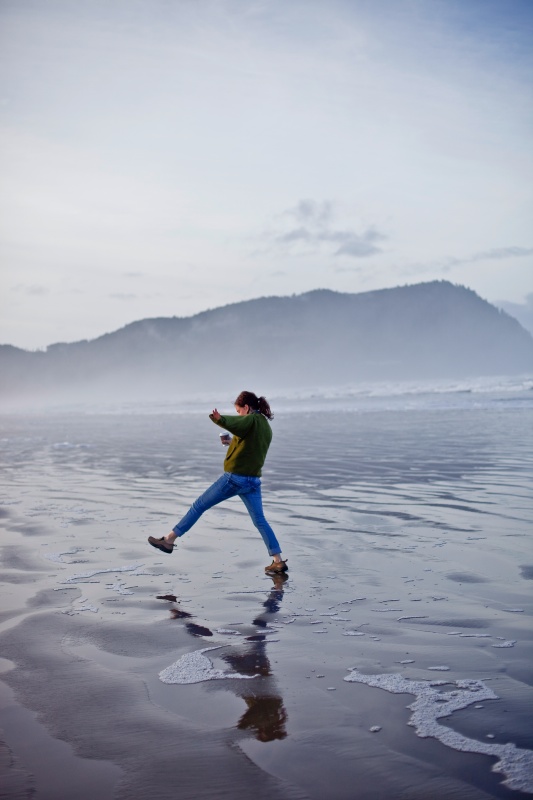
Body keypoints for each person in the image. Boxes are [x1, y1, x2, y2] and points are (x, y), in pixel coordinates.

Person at [148, 391, 287, 574]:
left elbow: (237, 423)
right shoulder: (264, 425)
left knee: (199, 506)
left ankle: (169, 540)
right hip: (253, 481)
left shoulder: (251, 419)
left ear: (246, 408)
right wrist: (231, 442)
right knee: (260, 521)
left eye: (239, 411)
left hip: (235, 478)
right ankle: (277, 560)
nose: (239, 415)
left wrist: (220, 419)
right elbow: (249, 444)